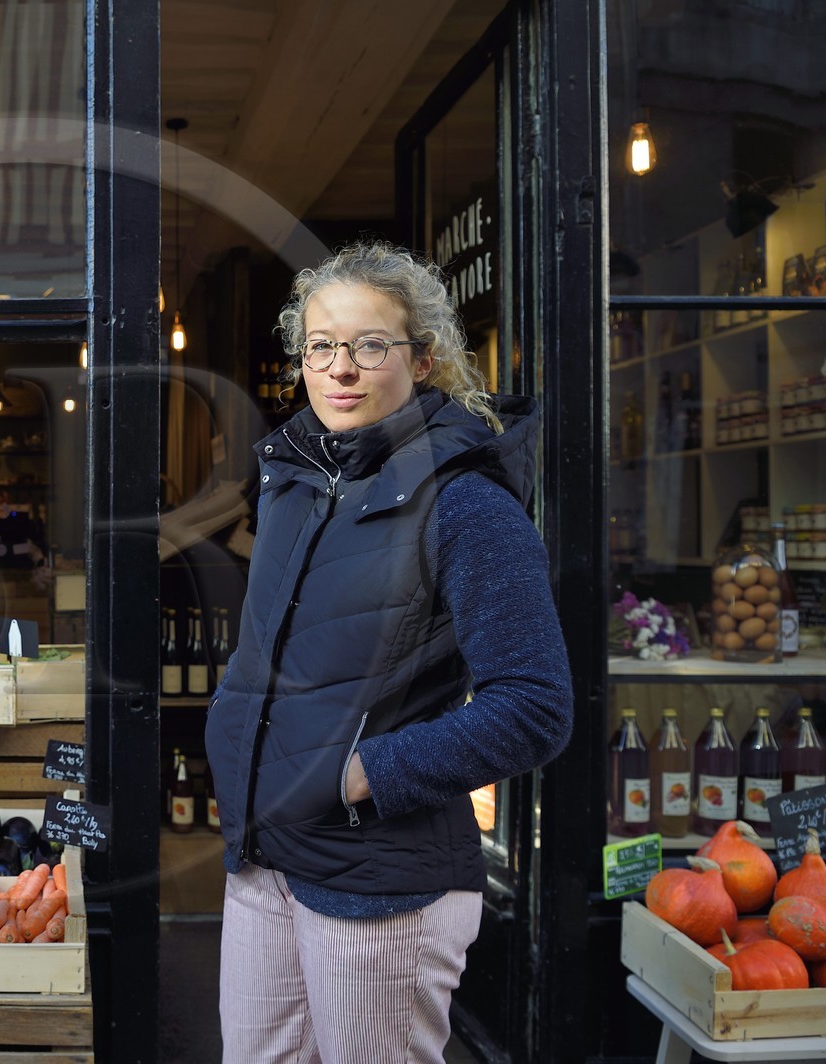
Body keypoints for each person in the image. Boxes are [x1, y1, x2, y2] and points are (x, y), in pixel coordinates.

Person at [204, 242, 573, 1063]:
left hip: (381, 882)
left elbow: (536, 707)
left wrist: (359, 774)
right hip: (266, 856)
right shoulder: (295, 479)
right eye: (322, 346)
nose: (341, 369)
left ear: (423, 357)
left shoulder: (466, 502)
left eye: (371, 346)